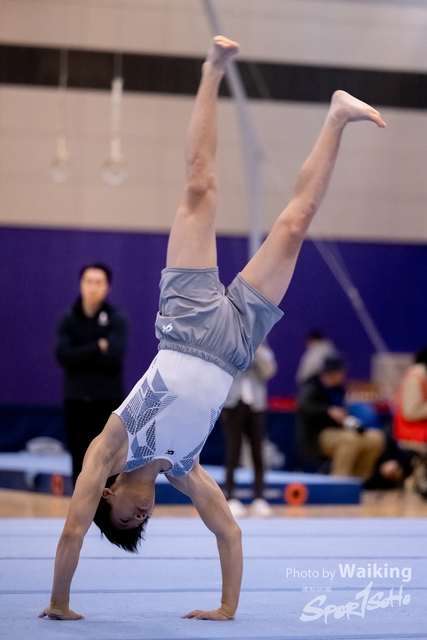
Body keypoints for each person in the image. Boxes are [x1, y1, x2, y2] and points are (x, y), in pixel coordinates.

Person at [39, 36, 386, 623]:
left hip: (185, 320)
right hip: (235, 345)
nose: (138, 519)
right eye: (141, 525)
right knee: (296, 223)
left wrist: (59, 602)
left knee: (200, 185)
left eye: (123, 520)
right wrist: (227, 608)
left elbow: (73, 529)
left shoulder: (111, 446)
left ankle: (212, 69)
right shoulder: (187, 469)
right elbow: (229, 532)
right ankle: (337, 116)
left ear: (108, 493)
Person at [56, 263, 128, 484]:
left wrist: (80, 353)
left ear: (108, 287)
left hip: (108, 399)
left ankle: (108, 501)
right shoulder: (68, 319)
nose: (93, 287)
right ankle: (80, 500)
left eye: (99, 282)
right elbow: (63, 355)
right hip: (76, 399)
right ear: (81, 284)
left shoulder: (116, 318)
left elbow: (115, 354)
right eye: (89, 281)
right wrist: (97, 346)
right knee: (78, 454)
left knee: (109, 456)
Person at [296, 356, 385, 479]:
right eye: (341, 372)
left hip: (340, 429)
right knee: (349, 440)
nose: (343, 376)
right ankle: (339, 482)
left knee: (375, 438)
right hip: (316, 435)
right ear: (332, 372)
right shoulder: (312, 386)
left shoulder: (339, 389)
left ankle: (357, 481)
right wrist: (328, 411)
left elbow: (344, 412)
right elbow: (304, 408)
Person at [220, 342, 277, 518]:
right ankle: (230, 497)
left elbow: (269, 371)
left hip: (256, 405)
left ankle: (259, 498)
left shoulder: (260, 341)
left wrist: (258, 351)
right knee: (233, 451)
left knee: (257, 451)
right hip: (232, 403)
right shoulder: (229, 339)